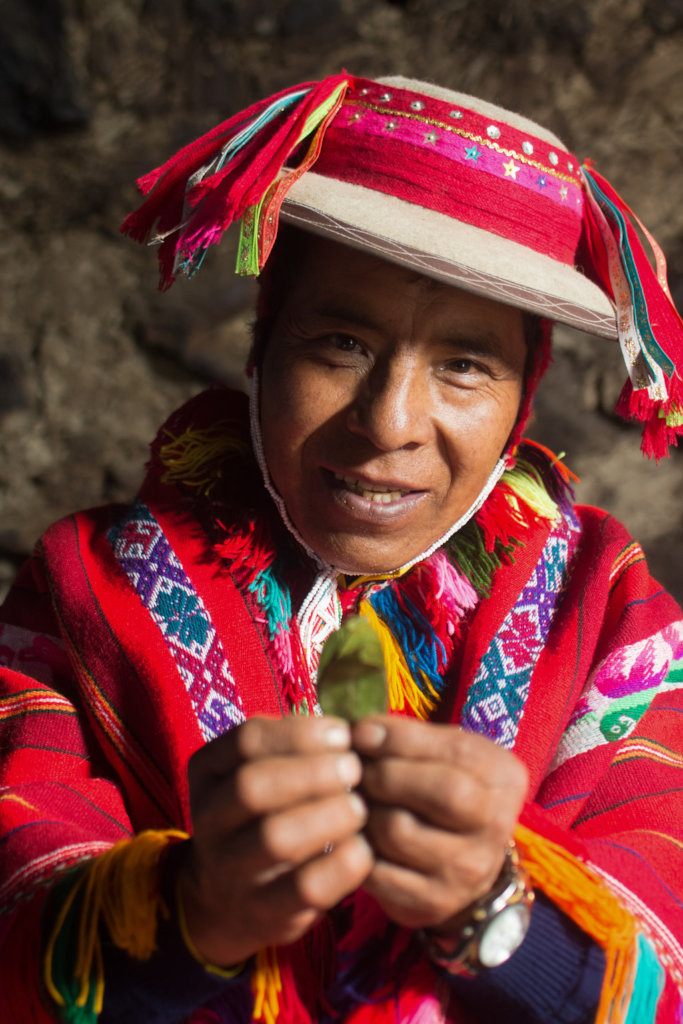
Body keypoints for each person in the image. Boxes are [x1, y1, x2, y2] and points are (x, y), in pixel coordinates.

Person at [0, 72, 682, 1024]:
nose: (390, 423)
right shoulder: (81, 587)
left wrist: (495, 912)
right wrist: (192, 909)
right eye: (340, 345)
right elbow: (14, 920)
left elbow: (665, 978)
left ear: (522, 398)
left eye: (463, 366)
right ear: (261, 346)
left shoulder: (609, 616)